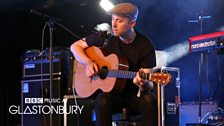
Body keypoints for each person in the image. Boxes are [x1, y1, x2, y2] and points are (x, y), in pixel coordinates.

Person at [70, 3, 157, 126]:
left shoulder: (145, 46)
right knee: (102, 100)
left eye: (119, 21)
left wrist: (143, 83)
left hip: (134, 97)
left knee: (150, 100)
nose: (114, 24)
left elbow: (147, 85)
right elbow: (75, 46)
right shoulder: (106, 38)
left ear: (131, 24)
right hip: (113, 96)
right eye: (112, 19)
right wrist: (88, 62)